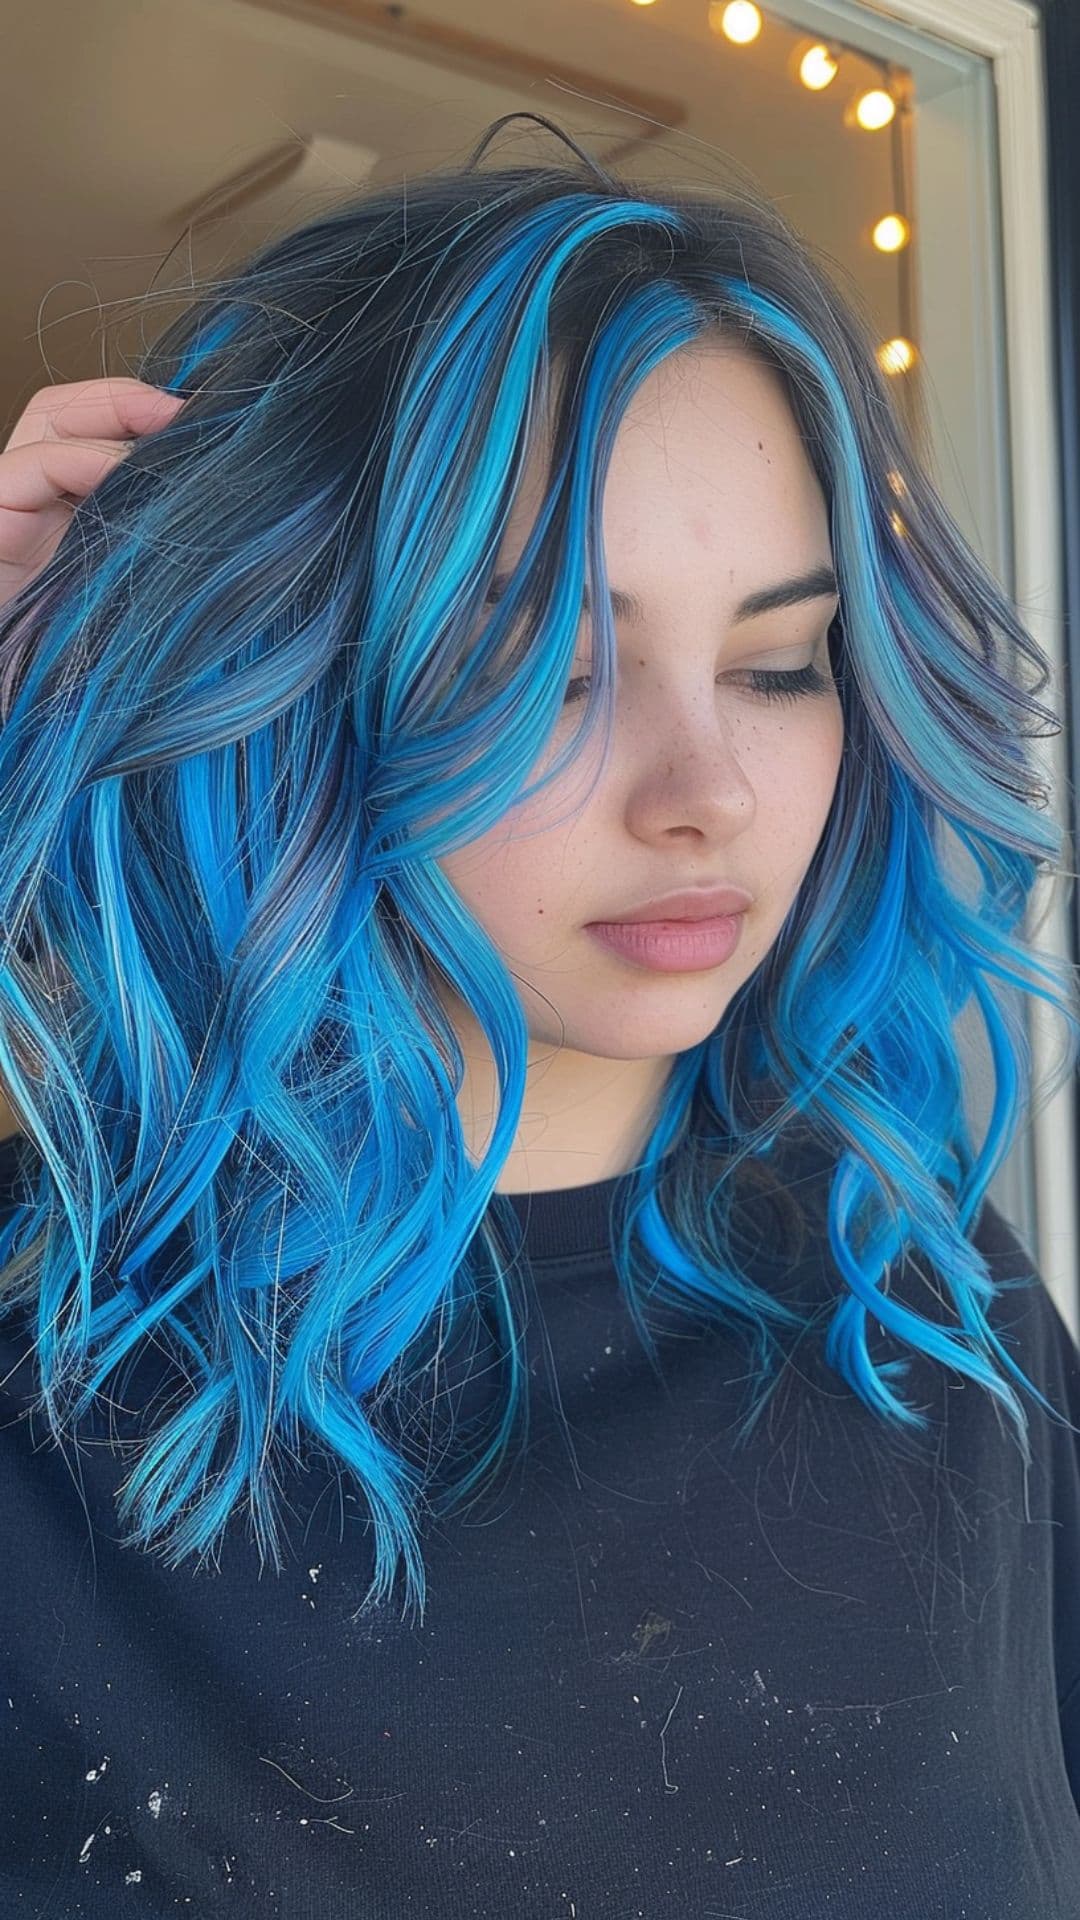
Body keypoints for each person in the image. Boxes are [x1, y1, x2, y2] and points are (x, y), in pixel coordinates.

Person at [0, 112, 1078, 1918]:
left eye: (777, 663)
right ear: (293, 677)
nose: (706, 792)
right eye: (545, 668)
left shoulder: (929, 1303)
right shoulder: (49, 1403)